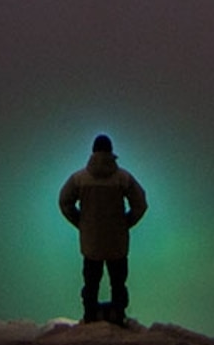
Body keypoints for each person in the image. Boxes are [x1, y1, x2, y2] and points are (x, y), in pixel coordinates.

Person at [57, 133, 148, 324]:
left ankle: (90, 316)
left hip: (91, 242)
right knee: (118, 283)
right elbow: (140, 204)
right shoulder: (123, 178)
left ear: (93, 151)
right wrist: (126, 223)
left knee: (91, 283)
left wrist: (81, 223)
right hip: (117, 242)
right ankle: (118, 316)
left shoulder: (79, 178)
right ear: (111, 151)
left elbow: (64, 202)